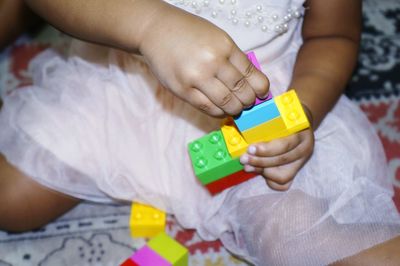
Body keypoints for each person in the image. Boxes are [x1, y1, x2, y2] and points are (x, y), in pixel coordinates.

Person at [0, 0, 399, 264]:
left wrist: (300, 112)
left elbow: (333, 36)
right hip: (121, 90)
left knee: (303, 232)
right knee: (13, 201)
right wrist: (149, 25)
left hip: (253, 112)